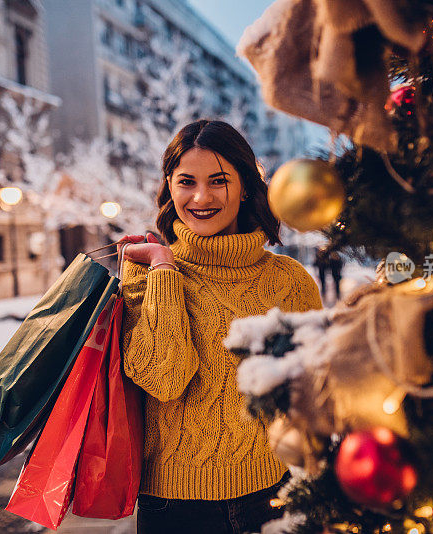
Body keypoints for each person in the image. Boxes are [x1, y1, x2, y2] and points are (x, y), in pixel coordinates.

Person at [120, 119, 322, 534]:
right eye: (186, 182)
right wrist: (162, 268)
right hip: (173, 506)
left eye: (218, 180)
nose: (201, 197)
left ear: (246, 185)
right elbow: (164, 378)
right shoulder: (146, 274)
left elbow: (314, 396)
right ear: (169, 187)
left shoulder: (290, 279)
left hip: (274, 493)